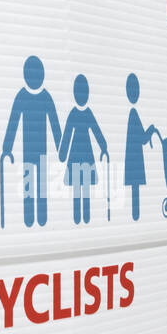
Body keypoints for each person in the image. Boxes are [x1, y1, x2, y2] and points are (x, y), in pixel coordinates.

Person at [2, 56, 61, 227]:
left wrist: (61, 147)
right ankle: (29, 219)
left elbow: (54, 124)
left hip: (39, 151)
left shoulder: (45, 97)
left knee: (40, 186)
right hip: (29, 152)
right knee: (29, 186)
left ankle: (41, 218)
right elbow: (13, 123)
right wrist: (7, 148)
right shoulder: (23, 97)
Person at [58, 74, 108, 225]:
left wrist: (104, 147)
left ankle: (83, 216)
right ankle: (78, 217)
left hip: (80, 155)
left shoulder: (83, 113)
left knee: (82, 187)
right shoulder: (79, 113)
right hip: (82, 155)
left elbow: (96, 131)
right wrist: (62, 153)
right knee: (78, 188)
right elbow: (67, 133)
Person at [123, 73, 155, 221]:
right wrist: (151, 130)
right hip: (135, 160)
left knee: (135, 189)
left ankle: (135, 215)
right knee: (135, 190)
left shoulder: (132, 114)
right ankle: (135, 216)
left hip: (132, 159)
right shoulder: (133, 115)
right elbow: (142, 139)